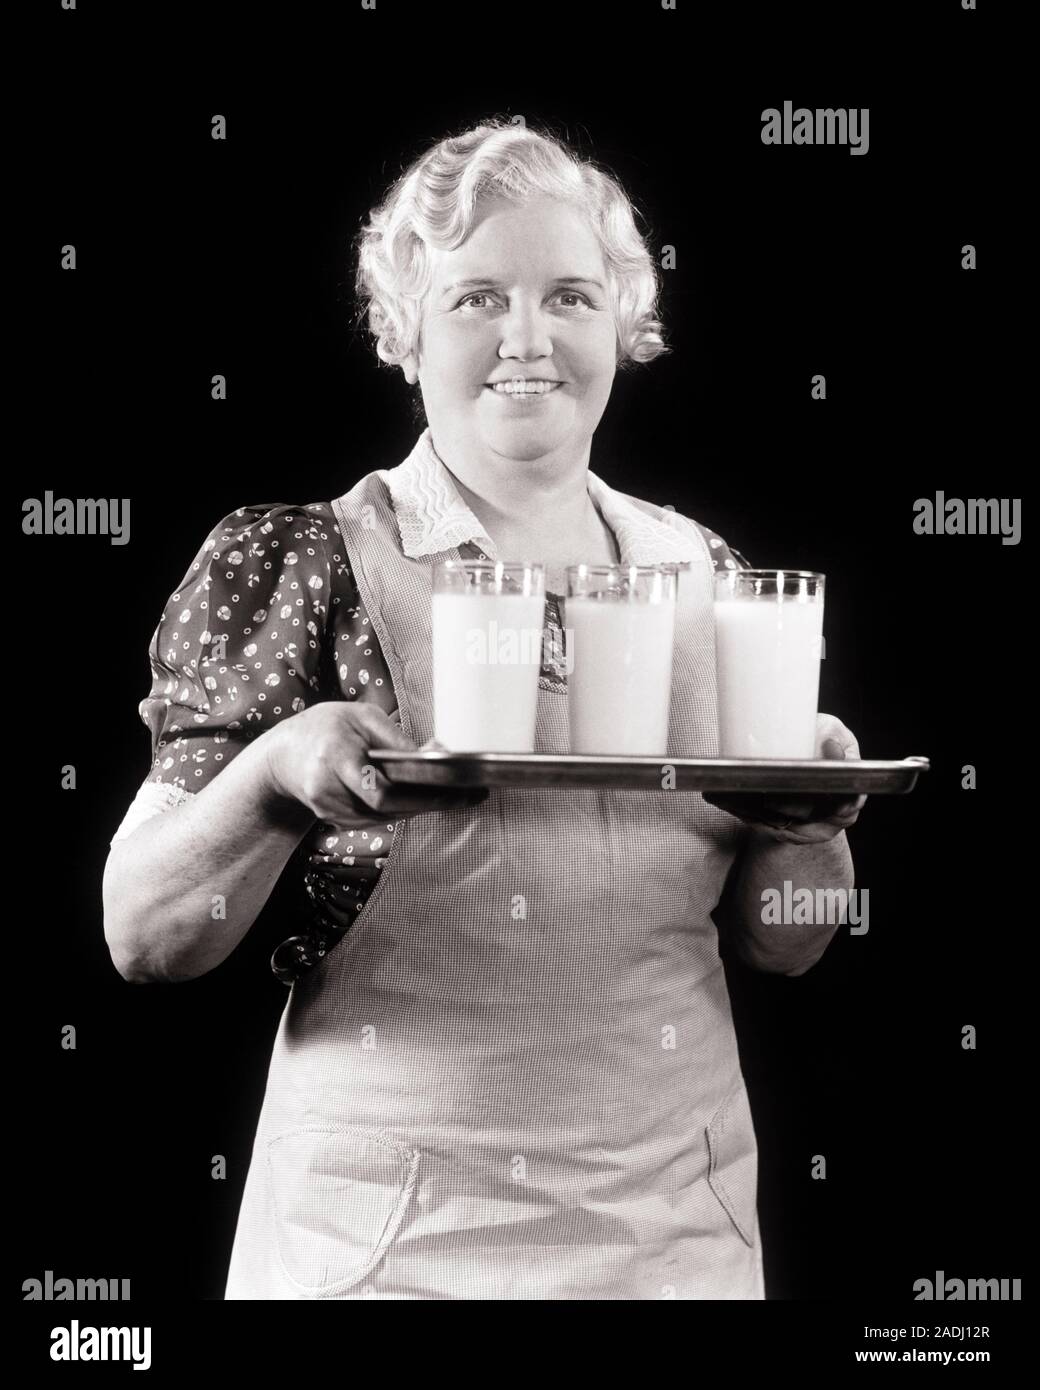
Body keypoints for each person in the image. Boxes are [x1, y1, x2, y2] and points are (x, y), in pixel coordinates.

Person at [102, 119, 865, 1300]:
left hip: (673, 1244)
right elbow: (146, 936)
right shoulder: (304, 565)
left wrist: (810, 832)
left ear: (622, 323)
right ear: (402, 333)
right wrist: (267, 778)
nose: (525, 338)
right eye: (473, 299)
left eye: (568, 294)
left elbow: (786, 942)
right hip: (379, 1252)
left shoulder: (712, 577)